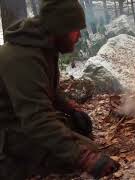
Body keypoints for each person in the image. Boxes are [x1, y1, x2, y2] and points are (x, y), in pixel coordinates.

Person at [0, 0, 120, 179]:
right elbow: (37, 119)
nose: (78, 36)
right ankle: (14, 167)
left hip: (20, 120)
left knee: (78, 134)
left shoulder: (43, 47)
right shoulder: (22, 58)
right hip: (8, 131)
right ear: (60, 29)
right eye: (74, 30)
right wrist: (86, 159)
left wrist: (70, 108)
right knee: (86, 152)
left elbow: (48, 91)